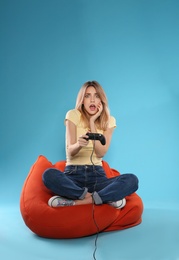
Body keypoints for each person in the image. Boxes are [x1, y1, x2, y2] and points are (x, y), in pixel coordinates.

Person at [42, 80, 139, 208]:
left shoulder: (109, 120)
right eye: (87, 96)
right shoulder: (73, 115)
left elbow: (101, 153)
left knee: (132, 180)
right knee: (48, 175)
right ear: (82, 100)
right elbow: (70, 151)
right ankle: (103, 198)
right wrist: (78, 144)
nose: (92, 100)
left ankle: (77, 202)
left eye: (96, 96)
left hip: (98, 177)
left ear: (101, 101)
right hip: (73, 176)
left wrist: (93, 122)